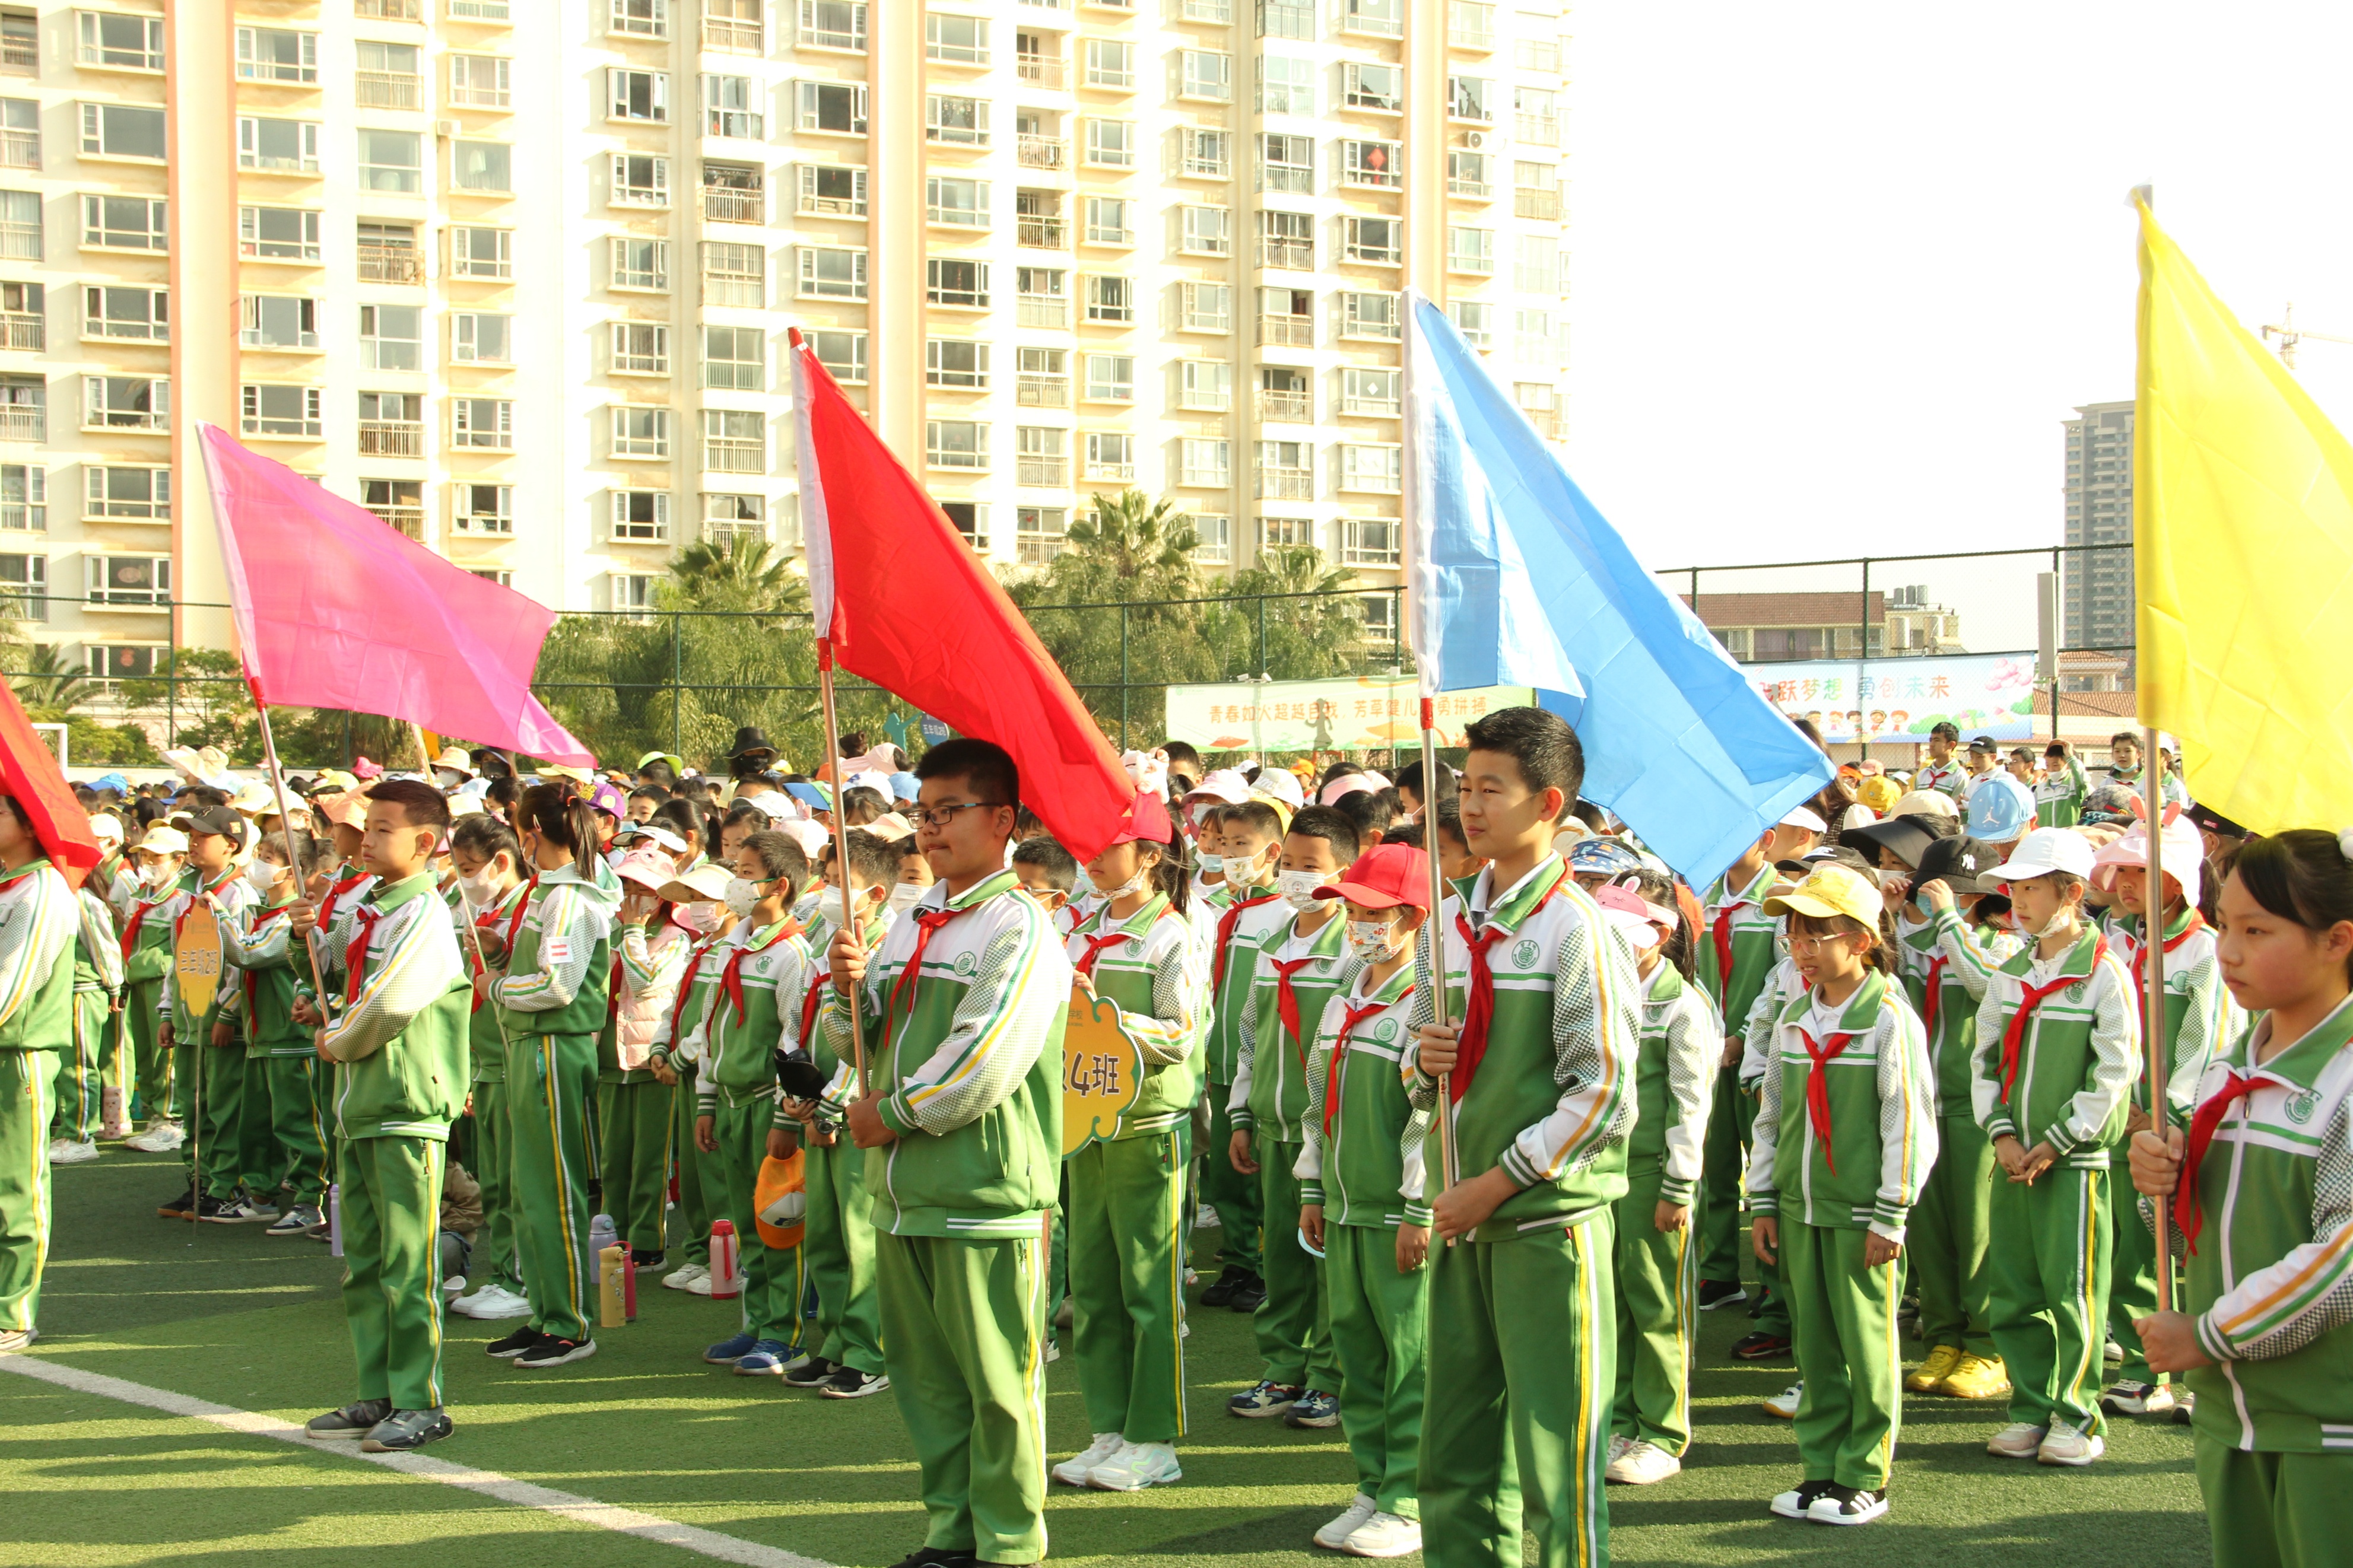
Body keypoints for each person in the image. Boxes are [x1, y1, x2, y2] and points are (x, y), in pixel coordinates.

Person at [823, 738, 1069, 1568]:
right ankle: (950, 1529)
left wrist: (891, 1113)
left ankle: (1005, 1541)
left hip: (985, 1189)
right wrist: (845, 988)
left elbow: (987, 1056)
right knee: (929, 1382)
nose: (930, 831)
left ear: (1002, 819)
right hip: (903, 1190)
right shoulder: (908, 922)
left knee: (1000, 1384)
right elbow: (858, 1039)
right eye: (923, 815)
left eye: (948, 812)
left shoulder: (1021, 922)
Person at [1407, 706, 1640, 1568]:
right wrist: (1420, 1056)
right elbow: (1422, 1066)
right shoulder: (1449, 922)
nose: (1469, 806)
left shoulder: (1574, 928)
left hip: (1546, 1224)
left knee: (1554, 1457)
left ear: (1547, 803)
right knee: (1454, 1450)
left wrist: (1494, 1181)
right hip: (1465, 1220)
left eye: (1489, 789)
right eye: (1463, 787)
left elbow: (1605, 1088)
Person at [2126, 829, 2353, 1568]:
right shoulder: (2233, 1066)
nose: (2226, 950)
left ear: (2336, 941)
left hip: (2327, 1430)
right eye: (2223, 924)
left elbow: (2342, 1257)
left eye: (2256, 931)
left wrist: (2208, 1336)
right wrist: (2157, 1183)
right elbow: (2189, 1225)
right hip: (2231, 1418)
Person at [1748, 864, 1937, 1526]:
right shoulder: (1794, 1014)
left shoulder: (1888, 1020)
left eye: (1815, 936)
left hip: (1862, 1215)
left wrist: (1892, 1211)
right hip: (1801, 1210)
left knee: (1865, 1344)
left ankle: (1865, 1475)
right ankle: (1819, 1468)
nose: (1799, 949)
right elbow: (1770, 1113)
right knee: (1817, 1346)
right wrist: (1764, 1199)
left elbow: (1907, 1122)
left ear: (1859, 940)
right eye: (1793, 935)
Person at [295, 780, 471, 1452]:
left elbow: (392, 1004)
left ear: (425, 843)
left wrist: (336, 1040)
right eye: (366, 827)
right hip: (359, 1107)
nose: (366, 839)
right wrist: (307, 942)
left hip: (403, 1108)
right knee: (363, 1260)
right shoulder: (369, 905)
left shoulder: (424, 912)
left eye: (383, 829)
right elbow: (340, 975)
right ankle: (378, 1390)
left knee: (406, 1262)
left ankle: (420, 1399)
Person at [1971, 827, 2141, 1466]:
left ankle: (2077, 1413)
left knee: (2071, 1289)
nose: (2015, 897)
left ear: (2070, 893)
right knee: (2013, 1287)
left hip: (2074, 1162)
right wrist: (2005, 1135)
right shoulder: (2009, 974)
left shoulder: (2104, 976)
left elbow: (2114, 1071)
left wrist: (2057, 1139)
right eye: (2012, 886)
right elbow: (1981, 1060)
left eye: (2030, 886)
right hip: (2013, 1160)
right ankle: (2030, 1405)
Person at [1052, 792, 1202, 1492]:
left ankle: (1154, 1438)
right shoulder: (1079, 929)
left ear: (1148, 856)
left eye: (1106, 849)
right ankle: (1108, 1427)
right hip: (1084, 1126)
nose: (1091, 860)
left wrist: (1105, 1018)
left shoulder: (1173, 934)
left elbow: (1181, 1033)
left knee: (1149, 1286)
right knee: (1094, 1285)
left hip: (1147, 1127)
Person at [1295, 841, 1434, 1555]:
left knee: (1409, 1359)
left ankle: (1410, 1498)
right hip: (1345, 1210)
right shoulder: (1348, 994)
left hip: (1392, 1214)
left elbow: (1428, 1117)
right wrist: (1312, 1185)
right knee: (1357, 1357)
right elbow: (1318, 1098)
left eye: (1373, 912)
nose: (1357, 923)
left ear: (1413, 918)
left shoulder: (1424, 1005)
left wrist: (1418, 1209)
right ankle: (1373, 1482)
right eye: (1350, 909)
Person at [2091, 814, 2240, 1420]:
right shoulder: (2115, 938)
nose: (2124, 884)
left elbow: (2205, 1044)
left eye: (2139, 872)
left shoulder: (2203, 950)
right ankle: (2137, 1360)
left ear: (2177, 881)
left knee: (2176, 1245)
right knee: (2126, 1243)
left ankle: (2177, 1371)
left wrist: (2167, 1112)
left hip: (2170, 1123)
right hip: (2118, 1117)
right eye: (2119, 870)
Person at [1227, 804, 1360, 1429]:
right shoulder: (1271, 941)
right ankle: (1282, 1367)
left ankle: (1332, 1376)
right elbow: (1252, 1037)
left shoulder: (1352, 950)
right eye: (1289, 865)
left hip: (1326, 1132)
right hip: (1272, 1125)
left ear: (1346, 872)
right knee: (1279, 1255)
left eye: (1313, 867)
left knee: (1325, 1255)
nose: (1297, 878)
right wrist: (1239, 1114)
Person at [480, 783, 618, 1370]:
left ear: (532, 832)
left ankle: (568, 1324)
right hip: (531, 1046)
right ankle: (544, 1312)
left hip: (552, 1049)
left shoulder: (570, 898)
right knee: (527, 1184)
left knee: (552, 1187)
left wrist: (494, 985)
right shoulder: (548, 894)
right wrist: (498, 950)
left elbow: (556, 987)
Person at [1598, 871, 1717, 1488]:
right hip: (1602, 1170)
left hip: (1650, 1174)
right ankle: (1621, 1417)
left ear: (1660, 934)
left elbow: (1689, 1103)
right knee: (1613, 1301)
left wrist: (1678, 1185)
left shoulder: (1682, 1005)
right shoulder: (1601, 990)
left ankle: (1663, 1432)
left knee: (1656, 1303)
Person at [688, 830, 813, 1378]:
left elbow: (795, 1040)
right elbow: (711, 1029)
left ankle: (784, 1333)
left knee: (778, 1222)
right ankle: (756, 1319)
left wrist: (787, 1116)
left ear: (777, 884)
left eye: (745, 872)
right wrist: (706, 1100)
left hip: (767, 1104)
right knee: (744, 1221)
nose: (735, 883)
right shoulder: (730, 947)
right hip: (732, 1103)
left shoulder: (791, 955)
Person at [1903, 835, 2022, 1402]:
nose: (1936, 899)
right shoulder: (1916, 942)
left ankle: (1988, 1343)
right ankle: (1944, 1335)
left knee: (1978, 1230)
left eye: (1950, 892)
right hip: (1921, 1102)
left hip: (1976, 1106)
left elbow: (1983, 986)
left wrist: (1949, 921)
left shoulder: (2002, 944)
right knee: (1930, 1230)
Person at [782, 828, 896, 1395]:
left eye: (838, 881)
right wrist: (795, 1090)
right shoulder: (824, 941)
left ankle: (870, 1348)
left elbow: (872, 1041)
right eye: (825, 876)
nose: (825, 888)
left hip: (854, 1114)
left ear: (875, 895)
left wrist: (831, 1106)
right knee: (824, 1233)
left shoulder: (884, 949)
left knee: (860, 1238)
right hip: (818, 1109)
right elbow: (806, 1021)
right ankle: (834, 1340)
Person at [1695, 822, 1791, 1351]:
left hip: (1762, 1056)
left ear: (1767, 839)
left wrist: (1741, 1040)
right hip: (1710, 1054)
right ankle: (1719, 1271)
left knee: (1765, 1175)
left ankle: (1775, 1293)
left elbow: (1784, 980)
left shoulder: (1778, 901)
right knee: (1712, 1166)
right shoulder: (1706, 896)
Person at [0, 795, 88, 1354]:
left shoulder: (42, 889)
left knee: (16, 1187)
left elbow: (13, 984)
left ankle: (14, 1311)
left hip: (20, 1055)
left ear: (31, 826)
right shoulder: (10, 884)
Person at [217, 827, 333, 1238]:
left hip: (290, 1037)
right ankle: (260, 1194)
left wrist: (215, 914)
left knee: (298, 1121)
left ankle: (309, 1200)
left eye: (269, 856)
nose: (260, 863)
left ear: (295, 870)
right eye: (261, 853)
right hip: (259, 1034)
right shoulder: (261, 914)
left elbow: (248, 952)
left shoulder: (292, 917)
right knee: (257, 1123)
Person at [1198, 799, 1287, 1313]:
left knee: (1257, 1169)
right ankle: (1236, 1258)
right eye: (1223, 844)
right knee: (1225, 1172)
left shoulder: (1286, 912)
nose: (1228, 854)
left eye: (1241, 845)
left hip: (1260, 1065)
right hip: (1218, 1060)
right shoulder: (1218, 908)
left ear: (1271, 852)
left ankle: (1263, 1266)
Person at [446, 813, 534, 1320]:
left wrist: (499, 957)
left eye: (470, 866)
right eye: (457, 866)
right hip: (486, 1059)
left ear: (502, 861)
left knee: (520, 1178)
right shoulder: (476, 909)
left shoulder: (530, 907)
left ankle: (522, 1277)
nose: (464, 877)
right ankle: (503, 1272)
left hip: (517, 1055)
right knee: (495, 1179)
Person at [162, 804, 265, 1222]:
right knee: (192, 1104)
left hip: (218, 1018)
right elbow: (177, 956)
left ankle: (226, 1186)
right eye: (190, 833)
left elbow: (242, 959)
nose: (193, 841)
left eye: (202, 835)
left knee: (223, 1107)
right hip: (190, 1017)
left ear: (232, 844)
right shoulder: (186, 889)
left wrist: (229, 1013)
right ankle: (199, 1180)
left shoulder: (239, 893)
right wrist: (168, 1010)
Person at [647, 861, 737, 1299]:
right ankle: (701, 1249)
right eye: (693, 898)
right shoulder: (700, 949)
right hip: (683, 1071)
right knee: (693, 1168)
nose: (698, 907)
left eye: (705, 898)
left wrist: (679, 1058)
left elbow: (711, 1018)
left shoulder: (733, 951)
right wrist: (660, 1047)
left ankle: (728, 1254)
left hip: (708, 1074)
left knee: (715, 1166)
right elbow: (676, 1006)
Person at [604, 850, 696, 1270]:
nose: (632, 895)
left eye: (642, 887)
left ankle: (646, 1241)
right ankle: (612, 1235)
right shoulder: (614, 929)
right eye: (626, 886)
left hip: (648, 1055)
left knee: (649, 1156)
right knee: (614, 1155)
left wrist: (633, 931)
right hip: (609, 1051)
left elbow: (644, 983)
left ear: (662, 895)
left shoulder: (674, 936)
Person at [119, 826, 192, 1163]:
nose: (148, 862)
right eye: (144, 856)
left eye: (156, 857)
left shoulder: (180, 898)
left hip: (161, 982)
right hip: (137, 980)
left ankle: (171, 1116)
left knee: (165, 1053)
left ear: (179, 861)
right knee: (145, 1050)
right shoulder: (141, 894)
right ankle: (153, 1112)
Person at [47, 849, 122, 1166]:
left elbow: (103, 946)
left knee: (78, 1064)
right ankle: (70, 1129)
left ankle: (81, 1134)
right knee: (63, 1066)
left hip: (83, 988)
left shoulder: (82, 899)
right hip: (61, 991)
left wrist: (114, 986)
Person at [2036, 742, 2090, 829]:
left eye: (2056, 765)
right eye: (2048, 765)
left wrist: (2070, 757)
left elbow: (2083, 780)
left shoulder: (2074, 785)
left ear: (2067, 765)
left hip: (2069, 836)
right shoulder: (2040, 789)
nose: (2051, 769)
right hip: (2046, 837)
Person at [1915, 723, 1967, 800]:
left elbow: (1955, 808)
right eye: (1931, 740)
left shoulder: (1959, 775)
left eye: (1937, 740)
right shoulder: (1923, 774)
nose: (1931, 745)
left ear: (1951, 745)